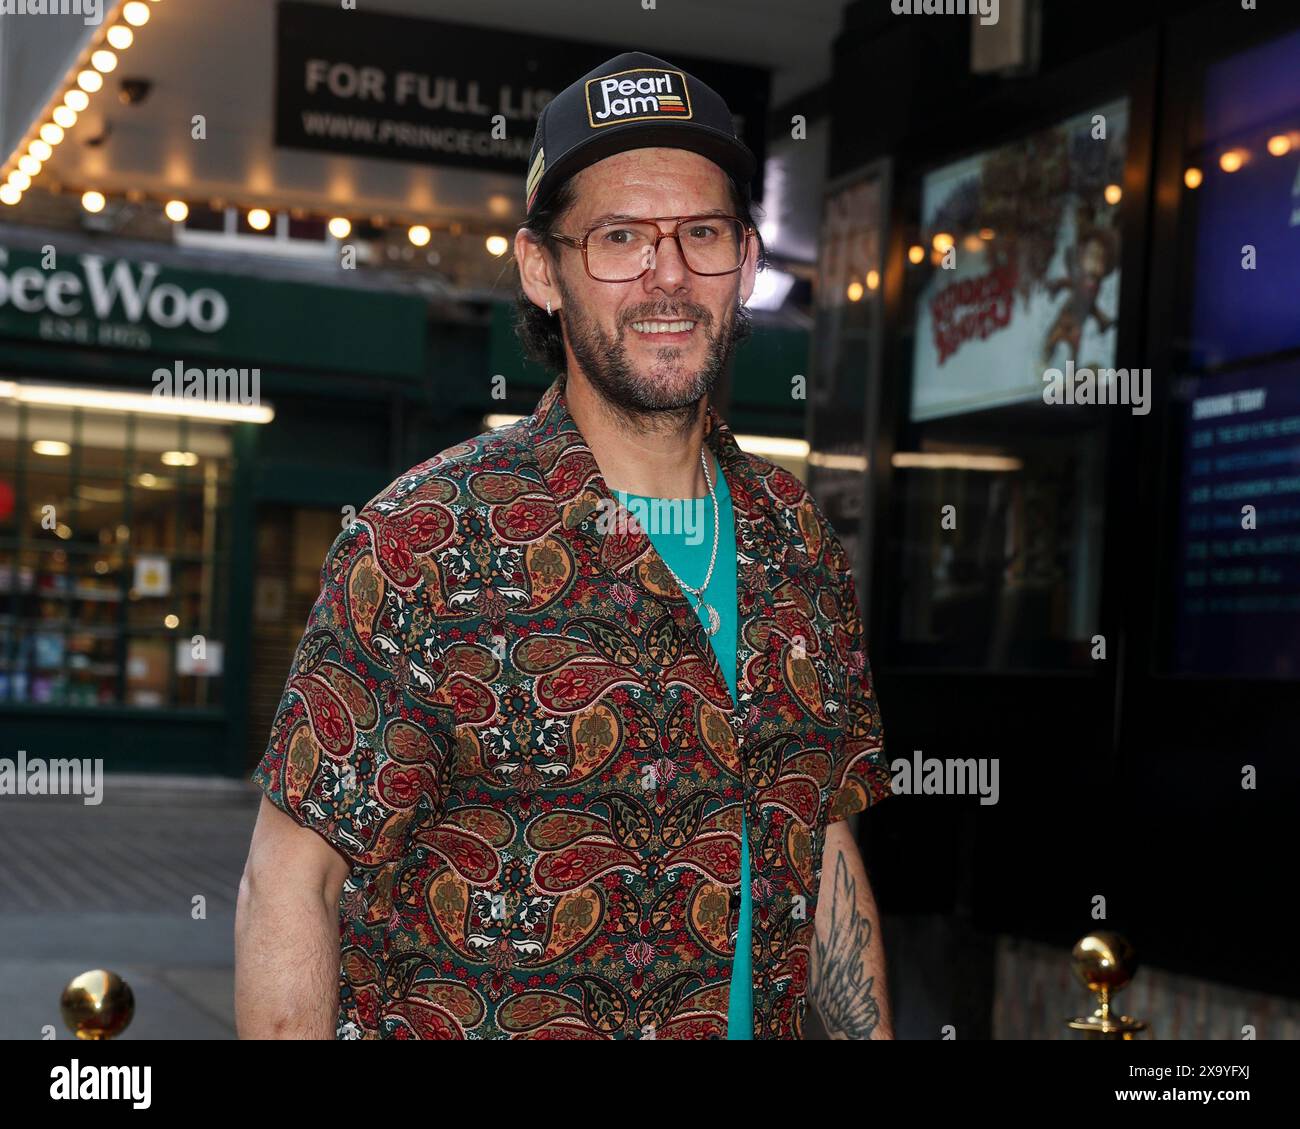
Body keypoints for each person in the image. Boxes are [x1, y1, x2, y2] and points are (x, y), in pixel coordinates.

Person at [235, 50, 895, 1040]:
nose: (667, 274)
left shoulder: (795, 536)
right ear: (543, 269)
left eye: (702, 234)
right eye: (619, 237)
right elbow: (290, 882)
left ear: (746, 265)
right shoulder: (424, 541)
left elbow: (825, 845)